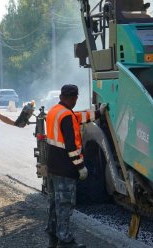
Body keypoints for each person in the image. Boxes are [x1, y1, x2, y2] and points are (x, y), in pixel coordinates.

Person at [45, 84, 107, 248]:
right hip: (65, 169)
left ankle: (53, 237)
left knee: (54, 204)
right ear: (74, 98)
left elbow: (77, 117)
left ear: (61, 96)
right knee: (65, 205)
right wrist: (80, 167)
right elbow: (72, 148)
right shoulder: (67, 116)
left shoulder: (55, 111)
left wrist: (97, 113)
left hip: (52, 167)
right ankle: (65, 241)